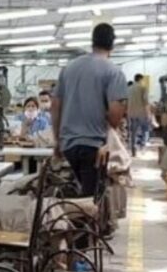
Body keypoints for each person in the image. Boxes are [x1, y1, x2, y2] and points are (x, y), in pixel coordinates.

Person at [51, 23, 128, 196]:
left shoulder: (68, 68)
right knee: (92, 199)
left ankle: (79, 218)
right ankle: (84, 221)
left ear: (92, 42)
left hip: (69, 144)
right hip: (95, 146)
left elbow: (55, 106)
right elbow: (116, 114)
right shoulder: (114, 72)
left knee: (83, 192)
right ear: (112, 45)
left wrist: (57, 140)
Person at [127, 73, 150, 156]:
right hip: (141, 114)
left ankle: (133, 151)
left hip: (131, 114)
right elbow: (146, 102)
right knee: (145, 130)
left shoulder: (128, 89)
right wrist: (149, 114)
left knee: (133, 132)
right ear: (140, 79)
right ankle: (143, 148)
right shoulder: (143, 88)